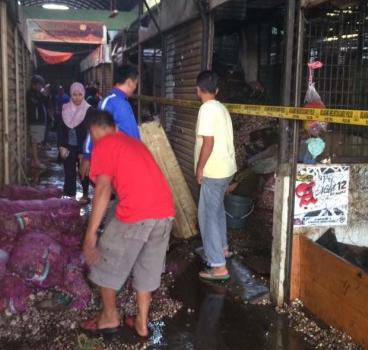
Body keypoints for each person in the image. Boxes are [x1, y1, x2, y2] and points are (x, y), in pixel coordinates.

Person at [80, 111, 175, 338]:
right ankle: (142, 322)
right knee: (146, 269)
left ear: (94, 131)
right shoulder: (133, 143)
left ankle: (109, 317)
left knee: (103, 260)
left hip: (137, 213)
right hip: (165, 213)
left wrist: (90, 234)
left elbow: (103, 189)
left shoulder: (103, 145)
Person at [194, 70, 237, 281]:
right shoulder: (221, 107)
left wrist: (200, 167)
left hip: (214, 171)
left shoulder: (206, 109)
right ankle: (222, 248)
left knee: (207, 216)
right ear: (217, 90)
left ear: (198, 90)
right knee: (217, 210)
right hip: (227, 169)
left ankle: (218, 266)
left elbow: (208, 142)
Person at [79, 64, 141, 181]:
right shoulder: (109, 102)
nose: (135, 87)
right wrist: (87, 156)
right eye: (136, 83)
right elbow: (95, 128)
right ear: (129, 82)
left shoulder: (126, 103)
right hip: (117, 163)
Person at [58, 82, 91, 203]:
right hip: (69, 146)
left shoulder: (89, 110)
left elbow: (91, 132)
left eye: (80, 94)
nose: (77, 97)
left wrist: (84, 151)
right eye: (74, 94)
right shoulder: (65, 108)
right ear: (71, 95)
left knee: (84, 171)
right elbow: (60, 129)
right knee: (69, 171)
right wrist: (61, 145)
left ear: (84, 94)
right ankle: (70, 197)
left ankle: (85, 194)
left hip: (83, 146)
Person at [26, 75, 47, 169]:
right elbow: (35, 102)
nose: (40, 87)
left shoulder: (38, 93)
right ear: (33, 85)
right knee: (35, 142)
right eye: (39, 85)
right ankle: (36, 162)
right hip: (35, 121)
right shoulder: (30, 94)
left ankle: (33, 161)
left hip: (39, 121)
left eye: (41, 85)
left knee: (37, 142)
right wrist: (43, 96)